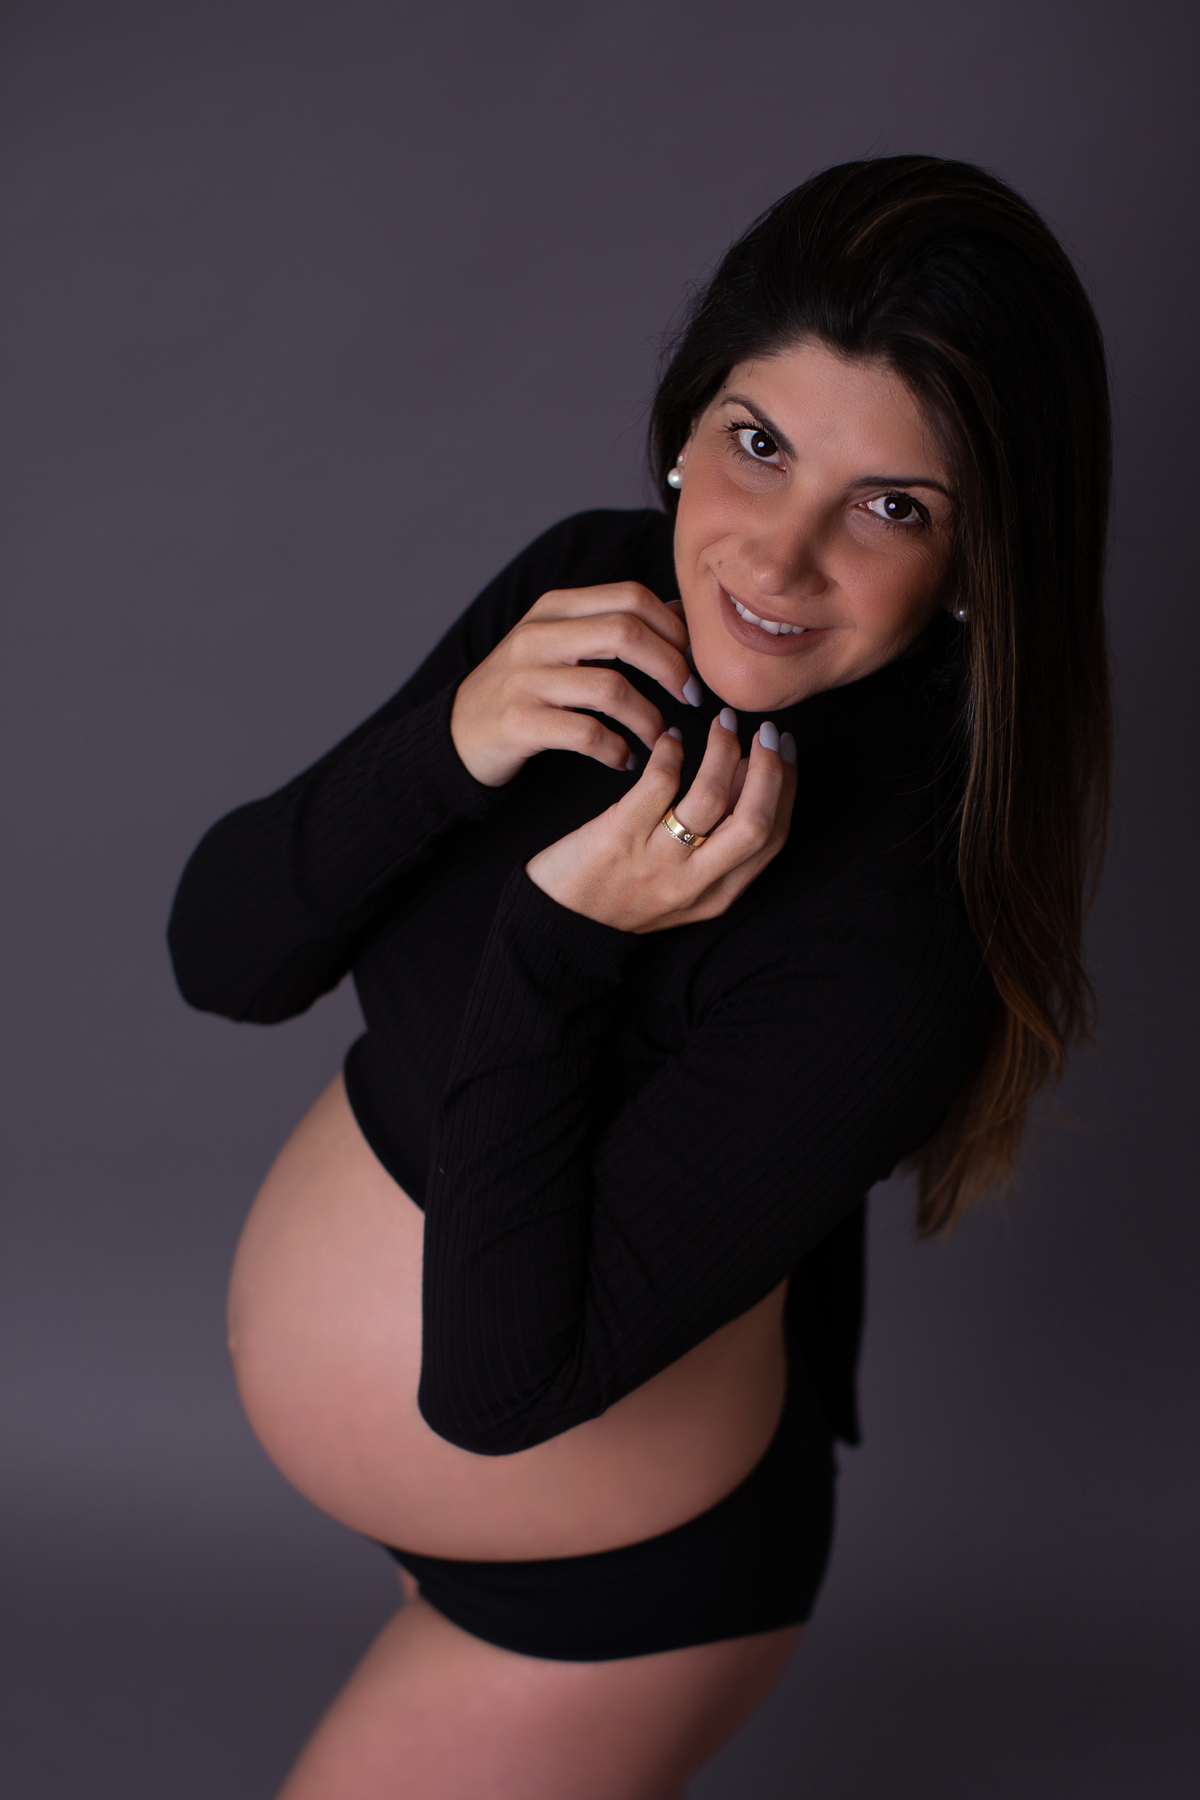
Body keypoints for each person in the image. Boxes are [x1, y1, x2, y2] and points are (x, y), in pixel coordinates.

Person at [168, 155, 1111, 1798]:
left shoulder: (907, 933)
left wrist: (565, 933)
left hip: (605, 1597)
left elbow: (498, 1391)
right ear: (688, 422)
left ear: (979, 560)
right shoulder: (590, 602)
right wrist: (449, 743)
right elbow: (223, 957)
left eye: (893, 506)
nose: (779, 555)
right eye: (759, 443)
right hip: (470, 1521)